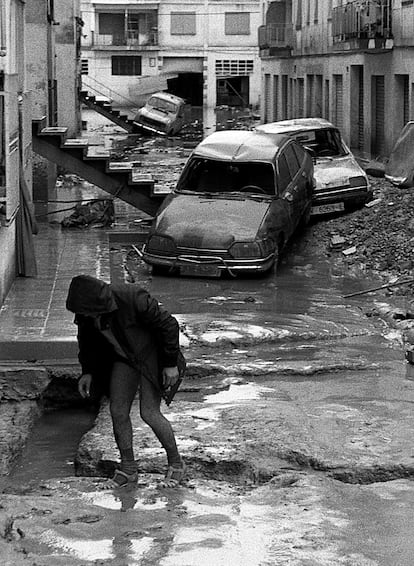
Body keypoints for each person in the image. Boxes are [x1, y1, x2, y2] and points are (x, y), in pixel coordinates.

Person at [66, 274, 186, 488]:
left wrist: (170, 364)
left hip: (153, 355)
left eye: (84, 311)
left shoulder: (132, 297)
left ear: (96, 303)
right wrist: (88, 372)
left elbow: (169, 325)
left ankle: (176, 464)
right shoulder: (86, 314)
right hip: (125, 358)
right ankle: (128, 468)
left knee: (149, 412)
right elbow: (86, 342)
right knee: (118, 411)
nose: (81, 315)